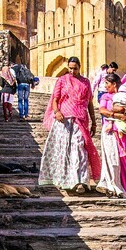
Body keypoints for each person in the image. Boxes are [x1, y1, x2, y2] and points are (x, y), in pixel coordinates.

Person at [39, 56, 101, 194]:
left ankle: (81, 181)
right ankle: (66, 180)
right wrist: (56, 112)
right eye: (70, 68)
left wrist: (94, 122)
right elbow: (55, 99)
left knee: (79, 148)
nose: (73, 71)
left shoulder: (85, 82)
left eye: (75, 68)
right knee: (64, 150)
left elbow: (89, 103)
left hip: (80, 120)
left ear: (80, 68)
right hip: (64, 120)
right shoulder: (62, 80)